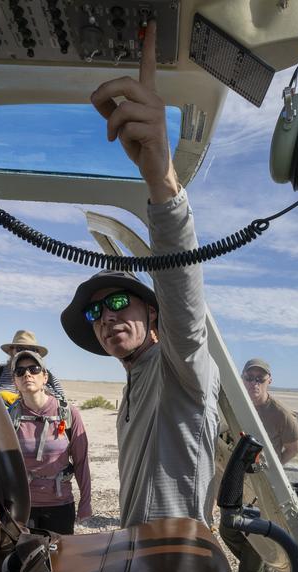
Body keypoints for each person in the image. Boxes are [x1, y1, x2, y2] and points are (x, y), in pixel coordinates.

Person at [59, 22, 219, 527]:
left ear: (153, 312)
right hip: (141, 564)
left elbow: (184, 301)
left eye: (116, 303)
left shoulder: (180, 367)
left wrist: (161, 179)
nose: (104, 318)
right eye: (94, 312)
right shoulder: (134, 380)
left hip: (174, 569)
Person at [220, 358, 298, 572]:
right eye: (249, 377)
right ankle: (267, 569)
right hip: (239, 481)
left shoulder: (280, 414)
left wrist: (273, 468)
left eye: (260, 379)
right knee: (229, 531)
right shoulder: (234, 407)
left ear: (269, 381)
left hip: (264, 486)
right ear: (241, 379)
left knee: (255, 538)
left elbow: (293, 448)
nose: (254, 383)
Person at [7, 349, 90, 534]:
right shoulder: (10, 417)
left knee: (61, 560)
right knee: (29, 560)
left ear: (45, 377)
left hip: (60, 505)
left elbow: (81, 461)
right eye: (20, 371)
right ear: (15, 382)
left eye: (33, 369)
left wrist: (86, 502)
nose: (27, 374)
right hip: (23, 507)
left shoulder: (67, 413)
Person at [0, 330, 66, 399]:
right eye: (20, 349)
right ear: (11, 351)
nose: (25, 352)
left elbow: (62, 404)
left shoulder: (48, 377)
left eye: (32, 350)